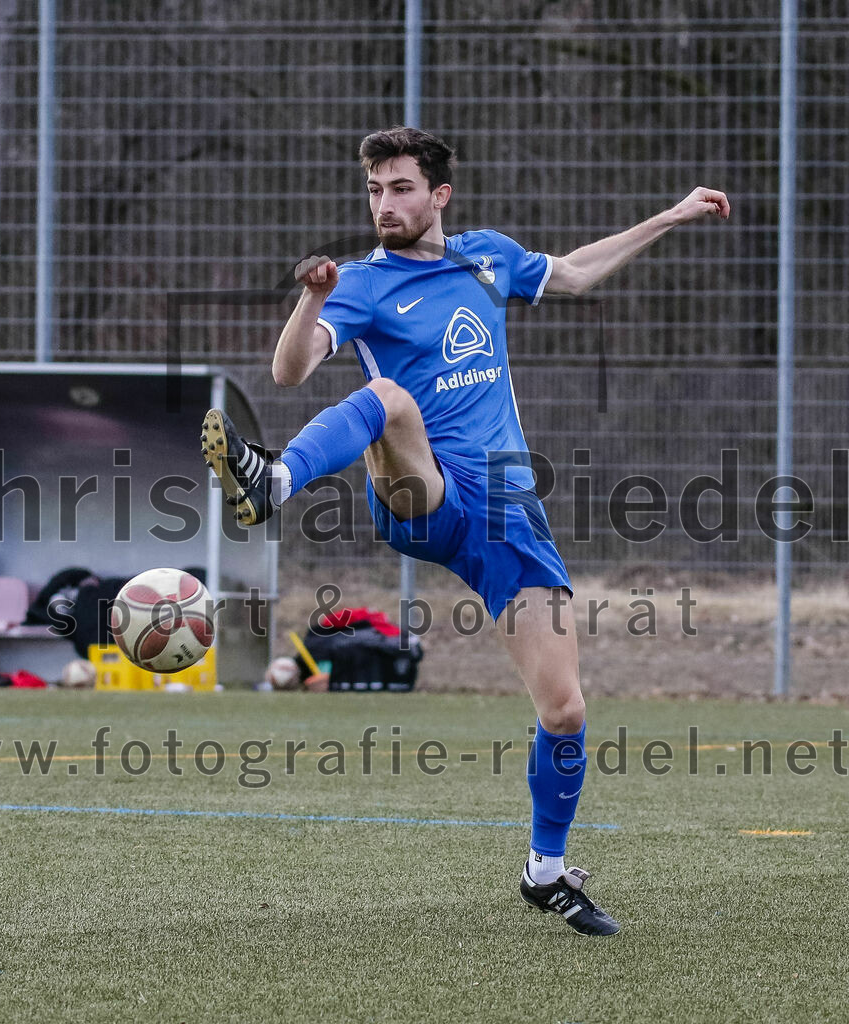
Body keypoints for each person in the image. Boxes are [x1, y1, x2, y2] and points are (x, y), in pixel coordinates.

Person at [201, 126, 730, 936]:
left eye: (401, 187)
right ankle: (272, 478)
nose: (385, 203)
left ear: (438, 194)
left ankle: (546, 871)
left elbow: (578, 270)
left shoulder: (486, 257)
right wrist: (312, 295)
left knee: (564, 709)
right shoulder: (366, 283)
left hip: (507, 509)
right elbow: (291, 371)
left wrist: (672, 215)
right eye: (376, 190)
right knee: (392, 403)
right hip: (422, 487)